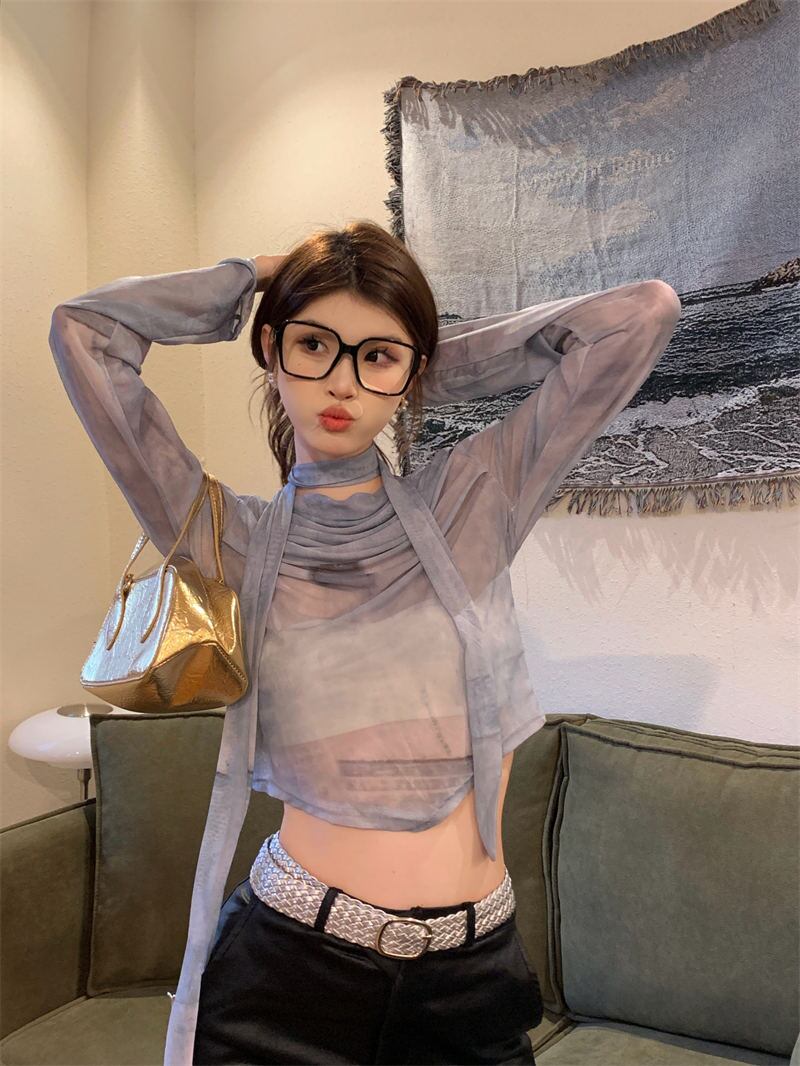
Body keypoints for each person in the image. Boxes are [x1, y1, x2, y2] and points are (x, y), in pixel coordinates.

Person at [48, 220, 681, 1065]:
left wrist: (414, 358)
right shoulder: (228, 539)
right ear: (272, 351)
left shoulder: (474, 501)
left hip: (472, 982)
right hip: (288, 978)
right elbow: (85, 333)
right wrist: (262, 278)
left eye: (374, 358)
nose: (340, 383)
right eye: (313, 345)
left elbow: (641, 315)